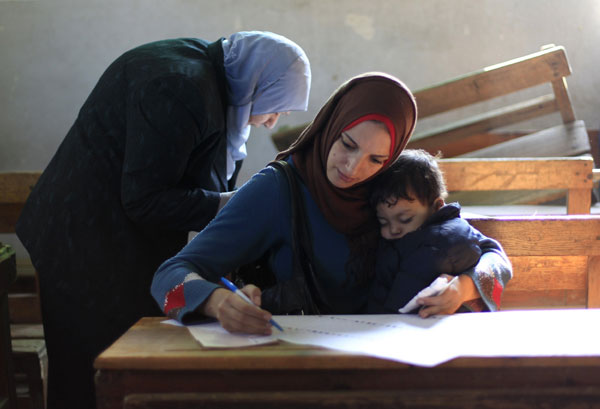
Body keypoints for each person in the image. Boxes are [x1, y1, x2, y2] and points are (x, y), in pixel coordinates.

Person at [15, 31, 311, 409]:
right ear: (258, 80)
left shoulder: (214, 78)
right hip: (85, 239)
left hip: (108, 233)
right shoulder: (181, 87)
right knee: (93, 366)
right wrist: (228, 206)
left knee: (118, 364)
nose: (272, 122)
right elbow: (145, 199)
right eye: (278, 105)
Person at [151, 72, 513, 335]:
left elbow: (491, 254)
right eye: (348, 144)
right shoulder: (279, 189)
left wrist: (461, 289)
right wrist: (216, 302)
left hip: (394, 361)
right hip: (300, 362)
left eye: (376, 159)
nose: (353, 169)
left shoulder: (391, 189)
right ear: (331, 125)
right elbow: (169, 274)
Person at [367, 149, 511, 315]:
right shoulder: (397, 239)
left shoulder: (443, 239)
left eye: (405, 219)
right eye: (383, 222)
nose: (393, 229)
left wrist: (464, 287)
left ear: (437, 207)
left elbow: (497, 259)